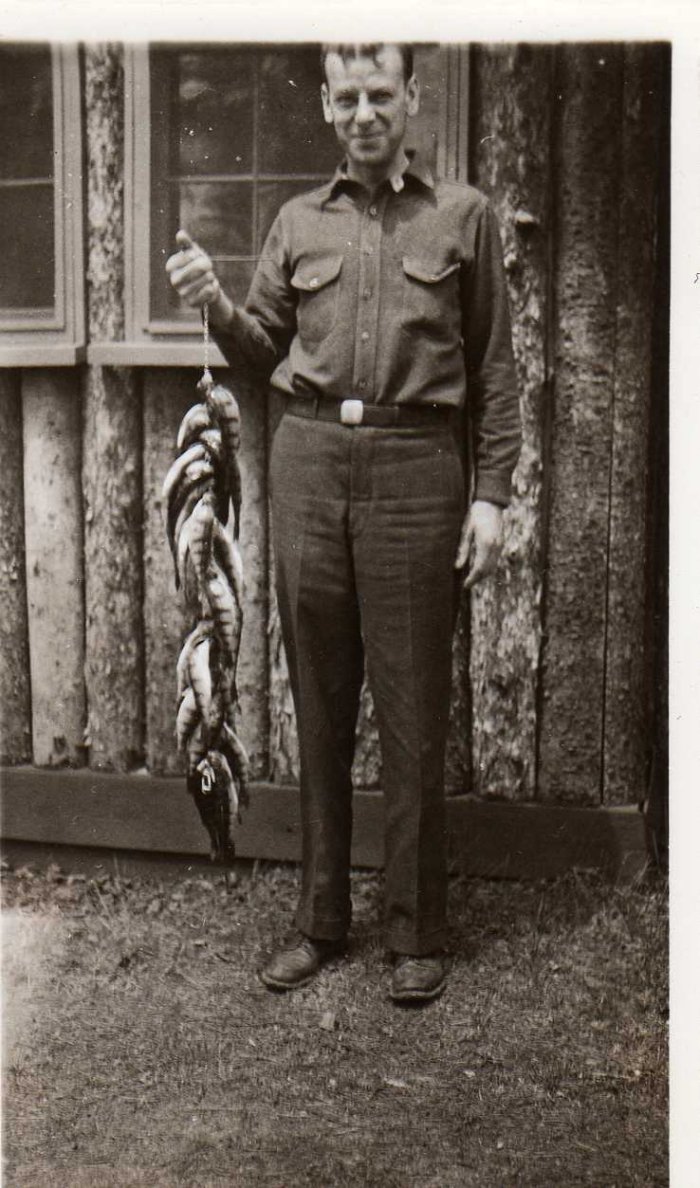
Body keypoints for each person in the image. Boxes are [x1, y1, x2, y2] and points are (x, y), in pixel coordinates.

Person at [166, 42, 521, 1003]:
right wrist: (216, 303)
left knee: (412, 710)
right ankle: (321, 920)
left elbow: (494, 369)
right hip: (312, 465)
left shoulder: (464, 217)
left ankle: (416, 931)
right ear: (326, 105)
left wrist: (491, 495)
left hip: (417, 469)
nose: (365, 113)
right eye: (348, 97)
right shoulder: (297, 222)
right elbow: (259, 353)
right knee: (318, 704)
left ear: (411, 99)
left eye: (381, 95)